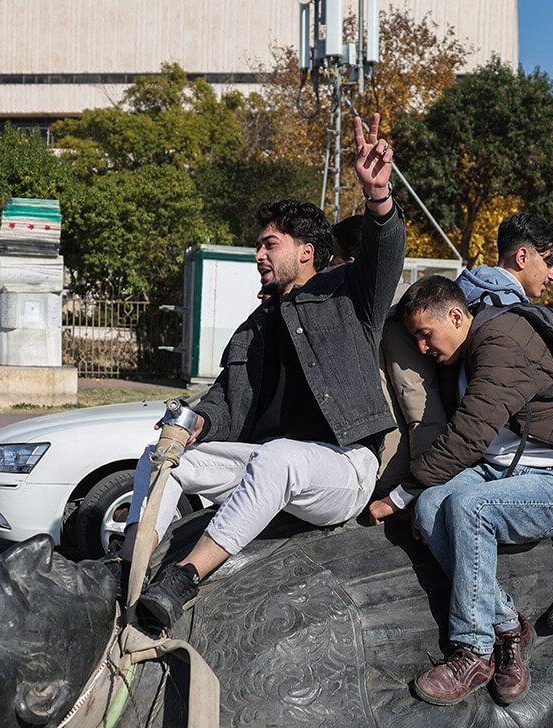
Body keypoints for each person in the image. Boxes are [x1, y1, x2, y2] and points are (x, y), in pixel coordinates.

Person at [126, 115, 404, 630]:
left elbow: (385, 254)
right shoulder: (255, 327)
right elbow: (225, 400)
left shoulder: (349, 295)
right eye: (259, 246)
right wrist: (193, 428)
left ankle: (183, 578)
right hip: (267, 465)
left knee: (279, 459)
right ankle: (127, 572)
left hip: (344, 468)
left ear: (306, 251)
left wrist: (379, 194)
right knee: (162, 460)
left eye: (269, 244)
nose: (258, 255)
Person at [369, 275, 553, 707]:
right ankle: (509, 627)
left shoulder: (501, 339)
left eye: (426, 335)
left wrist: (397, 496)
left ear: (458, 315)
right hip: (499, 471)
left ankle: (473, 651)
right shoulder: (466, 352)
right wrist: (415, 498)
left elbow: (470, 433)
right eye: (416, 340)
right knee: (430, 508)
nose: (423, 348)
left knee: (466, 507)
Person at [441, 212, 553, 628]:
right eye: (549, 262)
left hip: (489, 450)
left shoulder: (463, 299)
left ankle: (502, 623)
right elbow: (551, 401)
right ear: (522, 257)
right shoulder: (513, 318)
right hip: (516, 449)